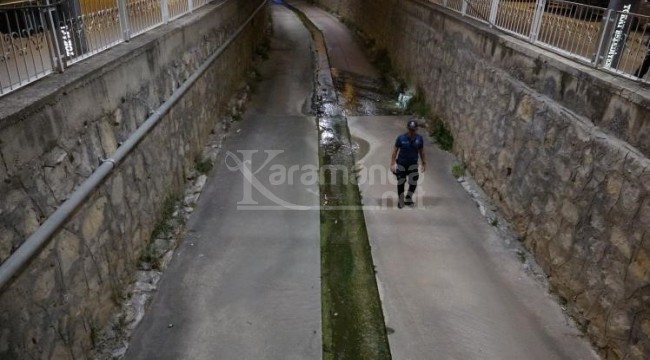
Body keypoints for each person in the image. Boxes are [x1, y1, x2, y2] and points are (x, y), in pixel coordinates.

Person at [390, 119, 426, 208]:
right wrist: (392, 164)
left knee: (413, 182)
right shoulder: (401, 138)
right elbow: (395, 151)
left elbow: (421, 152)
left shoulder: (419, 139)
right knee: (401, 182)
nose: (411, 131)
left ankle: (408, 198)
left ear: (416, 129)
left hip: (413, 165)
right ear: (407, 128)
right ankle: (401, 200)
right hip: (401, 164)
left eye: (413, 129)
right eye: (410, 129)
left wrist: (424, 163)